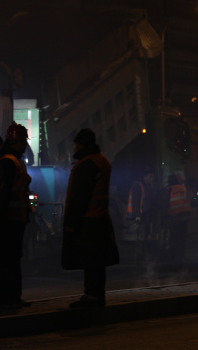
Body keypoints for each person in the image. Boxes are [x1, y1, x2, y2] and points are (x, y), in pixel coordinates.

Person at [62, 128, 119, 308]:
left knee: (90, 261)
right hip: (100, 217)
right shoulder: (101, 161)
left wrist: (71, 223)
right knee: (97, 262)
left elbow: (79, 196)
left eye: (76, 143)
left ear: (80, 144)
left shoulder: (87, 164)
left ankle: (91, 296)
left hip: (89, 220)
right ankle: (96, 295)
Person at [0, 123, 32, 308]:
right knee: (10, 260)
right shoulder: (10, 161)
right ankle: (10, 296)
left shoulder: (10, 160)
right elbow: (6, 193)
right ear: (14, 141)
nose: (25, 145)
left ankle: (9, 296)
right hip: (11, 219)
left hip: (11, 219)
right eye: (23, 141)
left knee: (8, 259)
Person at [127, 168, 159, 262]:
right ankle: (140, 258)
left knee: (144, 237)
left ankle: (143, 258)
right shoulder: (138, 186)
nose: (151, 179)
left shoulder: (147, 187)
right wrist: (137, 216)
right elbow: (136, 202)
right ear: (144, 177)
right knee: (140, 238)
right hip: (141, 216)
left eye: (152, 177)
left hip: (146, 216)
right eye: (150, 177)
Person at [162, 174, 192, 265]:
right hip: (184, 217)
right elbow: (189, 199)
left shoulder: (168, 189)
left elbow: (164, 204)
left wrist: (164, 218)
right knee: (182, 238)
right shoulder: (183, 188)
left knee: (173, 238)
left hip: (173, 217)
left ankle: (173, 258)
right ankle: (181, 257)